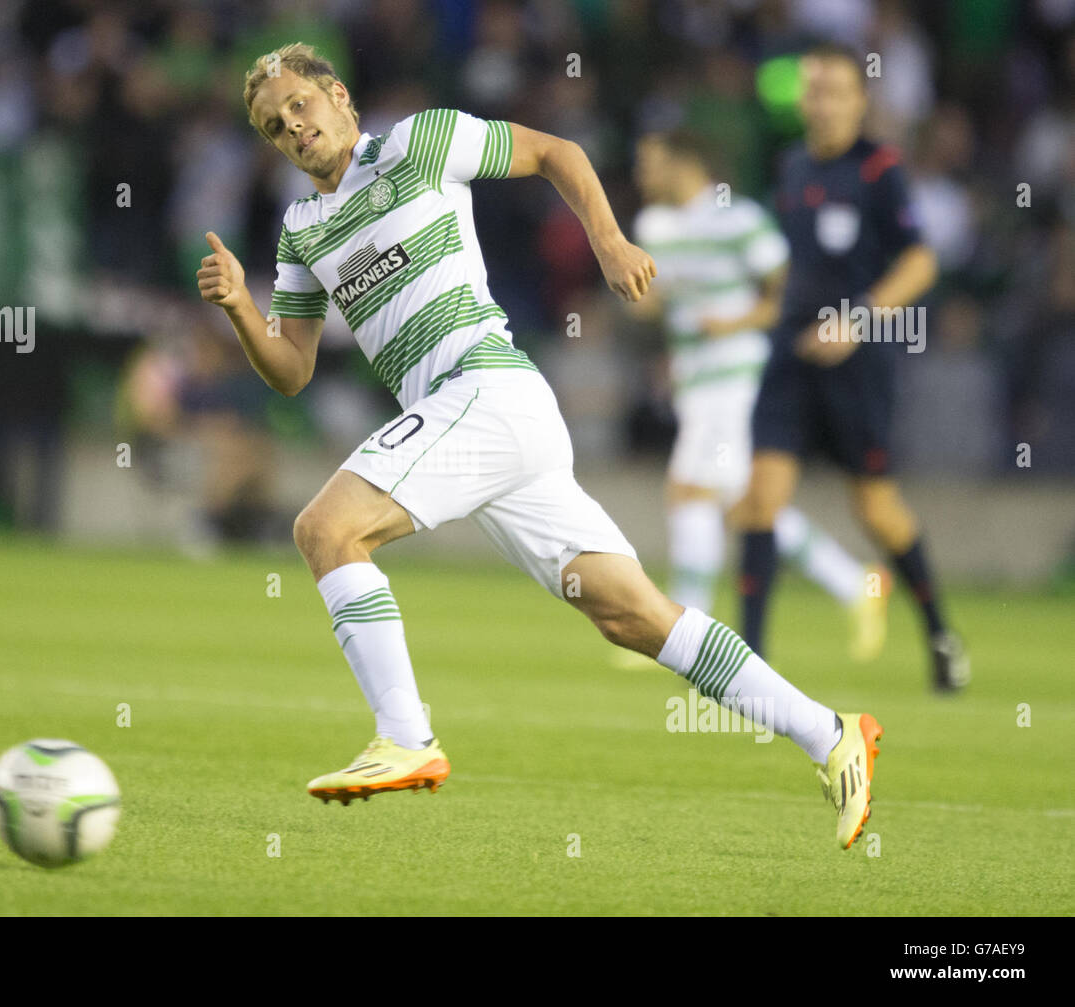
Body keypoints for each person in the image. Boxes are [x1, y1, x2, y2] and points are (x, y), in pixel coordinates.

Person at [198, 43, 881, 849]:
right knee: (632, 614)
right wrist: (244, 310)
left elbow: (556, 151)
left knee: (325, 529)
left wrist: (609, 240)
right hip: (482, 421)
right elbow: (293, 369)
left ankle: (407, 736)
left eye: (301, 106)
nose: (293, 128)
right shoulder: (302, 227)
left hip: (484, 388)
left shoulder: (420, 143)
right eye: (275, 127)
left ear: (339, 97)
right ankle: (831, 731)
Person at [737, 43, 969, 690]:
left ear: (860, 99)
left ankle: (941, 634)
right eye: (814, 89)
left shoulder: (879, 170)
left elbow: (920, 262)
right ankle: (748, 662)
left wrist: (857, 320)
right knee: (760, 497)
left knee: (876, 508)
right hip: (789, 353)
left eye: (836, 90)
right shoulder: (790, 166)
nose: (824, 101)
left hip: (857, 362)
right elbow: (791, 267)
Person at [631, 129, 888, 661]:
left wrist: (733, 323)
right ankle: (857, 583)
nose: (642, 174)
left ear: (685, 163)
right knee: (745, 505)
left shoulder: (740, 220)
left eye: (651, 163)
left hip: (738, 374)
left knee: (689, 490)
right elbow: (653, 306)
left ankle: (679, 629)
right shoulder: (653, 226)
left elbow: (787, 295)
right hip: (693, 381)